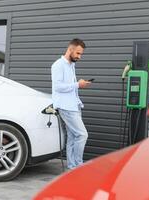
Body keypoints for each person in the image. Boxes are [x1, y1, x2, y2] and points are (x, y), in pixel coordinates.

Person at [51, 38, 90, 169]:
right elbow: (58, 87)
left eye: (81, 54)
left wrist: (77, 84)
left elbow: (70, 86)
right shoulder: (58, 65)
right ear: (70, 49)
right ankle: (78, 166)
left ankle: (72, 167)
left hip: (74, 105)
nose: (79, 57)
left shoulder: (71, 65)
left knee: (73, 136)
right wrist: (77, 84)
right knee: (82, 134)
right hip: (65, 106)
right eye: (78, 53)